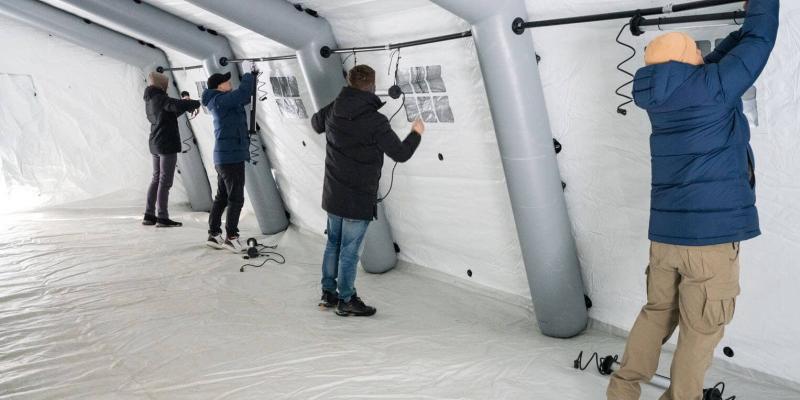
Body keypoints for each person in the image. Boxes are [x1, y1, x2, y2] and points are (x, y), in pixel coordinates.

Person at [607, 1, 779, 399]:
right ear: (689, 62)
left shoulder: (662, 97)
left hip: (666, 240)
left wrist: (736, 31)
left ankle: (622, 392)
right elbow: (760, 38)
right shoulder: (712, 87)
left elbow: (718, 59)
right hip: (709, 242)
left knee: (655, 314)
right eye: (696, 52)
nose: (703, 55)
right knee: (700, 331)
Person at [311, 65, 425, 317]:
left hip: (333, 192)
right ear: (372, 86)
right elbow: (401, 153)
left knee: (333, 244)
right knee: (350, 250)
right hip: (357, 197)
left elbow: (315, 123)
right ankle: (346, 300)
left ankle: (328, 294)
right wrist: (416, 134)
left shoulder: (335, 108)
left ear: (349, 83)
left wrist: (334, 111)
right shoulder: (375, 121)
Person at [201, 69, 256, 253]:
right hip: (230, 158)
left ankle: (214, 234)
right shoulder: (219, 100)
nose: (229, 82)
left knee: (222, 197)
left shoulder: (222, 101)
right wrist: (249, 75)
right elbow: (242, 93)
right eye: (226, 81)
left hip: (226, 157)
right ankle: (231, 237)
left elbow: (244, 97)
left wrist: (252, 82)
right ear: (219, 86)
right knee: (236, 198)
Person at [142, 71, 201, 228]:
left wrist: (186, 105)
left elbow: (170, 112)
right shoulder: (160, 97)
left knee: (156, 178)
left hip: (155, 143)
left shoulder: (151, 98)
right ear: (162, 85)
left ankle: (149, 215)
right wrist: (193, 103)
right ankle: (162, 217)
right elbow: (174, 105)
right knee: (165, 181)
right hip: (166, 144)